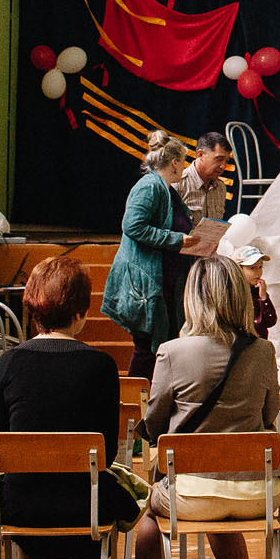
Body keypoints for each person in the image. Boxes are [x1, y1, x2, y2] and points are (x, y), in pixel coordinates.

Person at [0, 257, 140, 559]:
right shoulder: (101, 365)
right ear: (79, 313)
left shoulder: (8, 363)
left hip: (21, 508)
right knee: (94, 486)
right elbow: (105, 452)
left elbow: (5, 441)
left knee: (26, 480)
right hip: (83, 508)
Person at [131, 256, 279, 559]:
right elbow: (268, 415)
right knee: (220, 495)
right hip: (256, 494)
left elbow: (154, 423)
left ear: (194, 298)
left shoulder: (172, 352)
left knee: (149, 515)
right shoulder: (263, 350)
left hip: (193, 495)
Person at [104, 134, 210, 378]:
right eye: (183, 161)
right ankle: (135, 404)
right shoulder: (150, 186)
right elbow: (132, 225)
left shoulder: (166, 190)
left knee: (162, 348)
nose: (185, 166)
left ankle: (157, 404)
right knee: (147, 350)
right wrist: (176, 239)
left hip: (167, 285)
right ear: (174, 162)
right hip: (149, 283)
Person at [180, 130, 234, 222]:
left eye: (226, 161)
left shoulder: (220, 187)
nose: (223, 166)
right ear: (200, 155)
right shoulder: (178, 183)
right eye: (219, 159)